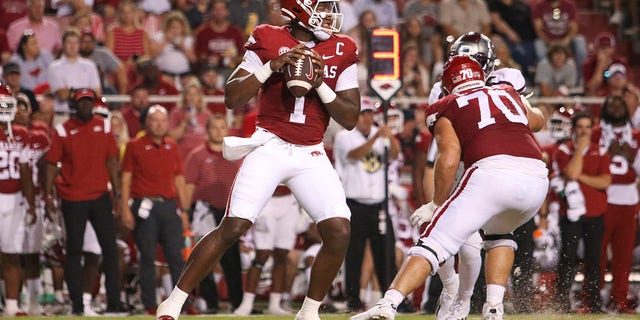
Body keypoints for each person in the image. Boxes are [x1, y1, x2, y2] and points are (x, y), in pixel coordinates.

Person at [156, 1, 360, 319]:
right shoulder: (267, 36)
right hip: (270, 145)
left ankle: (309, 312)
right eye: (321, 5)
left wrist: (319, 84)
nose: (330, 12)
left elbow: (350, 117)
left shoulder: (343, 46)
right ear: (298, 10)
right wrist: (271, 66)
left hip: (311, 151)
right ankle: (174, 302)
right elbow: (232, 96)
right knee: (234, 226)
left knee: (339, 231)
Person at [351, 55, 548, 320]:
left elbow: (449, 157)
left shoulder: (446, 104)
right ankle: (493, 308)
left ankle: (389, 303)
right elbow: (538, 121)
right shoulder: (507, 91)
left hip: (491, 172)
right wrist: (518, 100)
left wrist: (436, 204)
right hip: (536, 178)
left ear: (446, 86)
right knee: (499, 234)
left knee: (434, 240)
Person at [43, 88, 126, 316]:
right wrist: (48, 195)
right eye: (82, 102)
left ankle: (113, 302)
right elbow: (51, 164)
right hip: (72, 198)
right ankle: (78, 305)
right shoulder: (62, 130)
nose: (86, 105)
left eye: (89, 101)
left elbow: (112, 162)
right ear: (74, 105)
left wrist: (117, 194)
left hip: (100, 196)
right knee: (74, 252)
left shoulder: (105, 127)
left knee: (109, 250)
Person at [121, 104, 190, 315]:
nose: (159, 124)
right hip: (145, 205)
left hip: (169, 206)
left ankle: (182, 305)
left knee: (177, 257)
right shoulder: (135, 145)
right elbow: (126, 178)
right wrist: (124, 207)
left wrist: (185, 210)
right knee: (147, 256)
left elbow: (179, 179)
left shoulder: (172, 145)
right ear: (146, 123)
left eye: (163, 120)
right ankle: (150, 304)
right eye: (155, 120)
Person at [333, 101, 400, 312]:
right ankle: (353, 300)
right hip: (354, 203)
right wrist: (376, 138)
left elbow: (394, 155)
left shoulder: (379, 135)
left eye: (369, 113)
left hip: (379, 203)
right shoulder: (344, 136)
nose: (366, 118)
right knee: (354, 254)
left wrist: (391, 138)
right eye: (362, 114)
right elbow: (353, 155)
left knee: (386, 252)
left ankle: (391, 299)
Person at [551, 111, 611, 313]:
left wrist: (580, 177)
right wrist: (581, 151)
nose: (584, 131)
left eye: (588, 127)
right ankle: (562, 304)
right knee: (567, 258)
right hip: (570, 214)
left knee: (594, 260)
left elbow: (605, 181)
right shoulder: (563, 150)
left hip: (595, 213)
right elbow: (571, 173)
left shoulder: (600, 152)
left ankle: (594, 304)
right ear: (573, 129)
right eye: (580, 127)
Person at [183, 115, 244, 313]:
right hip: (205, 210)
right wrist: (185, 213)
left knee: (233, 259)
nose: (218, 131)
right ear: (207, 130)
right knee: (205, 257)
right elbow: (188, 186)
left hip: (230, 211)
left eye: (222, 127)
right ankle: (211, 304)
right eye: (214, 128)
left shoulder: (235, 154)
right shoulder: (197, 155)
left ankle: (238, 304)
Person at [593, 95, 639, 314]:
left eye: (620, 104)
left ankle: (619, 298)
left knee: (624, 255)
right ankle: (593, 298)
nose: (617, 108)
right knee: (597, 253)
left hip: (628, 200)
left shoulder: (637, 136)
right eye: (612, 104)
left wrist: (630, 157)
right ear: (604, 109)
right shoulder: (595, 134)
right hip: (602, 197)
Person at [0, 85, 36, 316]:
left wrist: (31, 203)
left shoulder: (22, 133)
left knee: (11, 253)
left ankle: (12, 305)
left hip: (14, 199)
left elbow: (25, 171)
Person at [47, 28, 101, 114]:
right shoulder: (54, 67)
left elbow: (97, 93)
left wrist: (71, 92)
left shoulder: (90, 65)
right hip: (63, 114)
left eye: (75, 42)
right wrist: (86, 92)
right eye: (69, 42)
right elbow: (62, 95)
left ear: (79, 44)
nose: (72, 46)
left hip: (87, 114)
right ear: (63, 44)